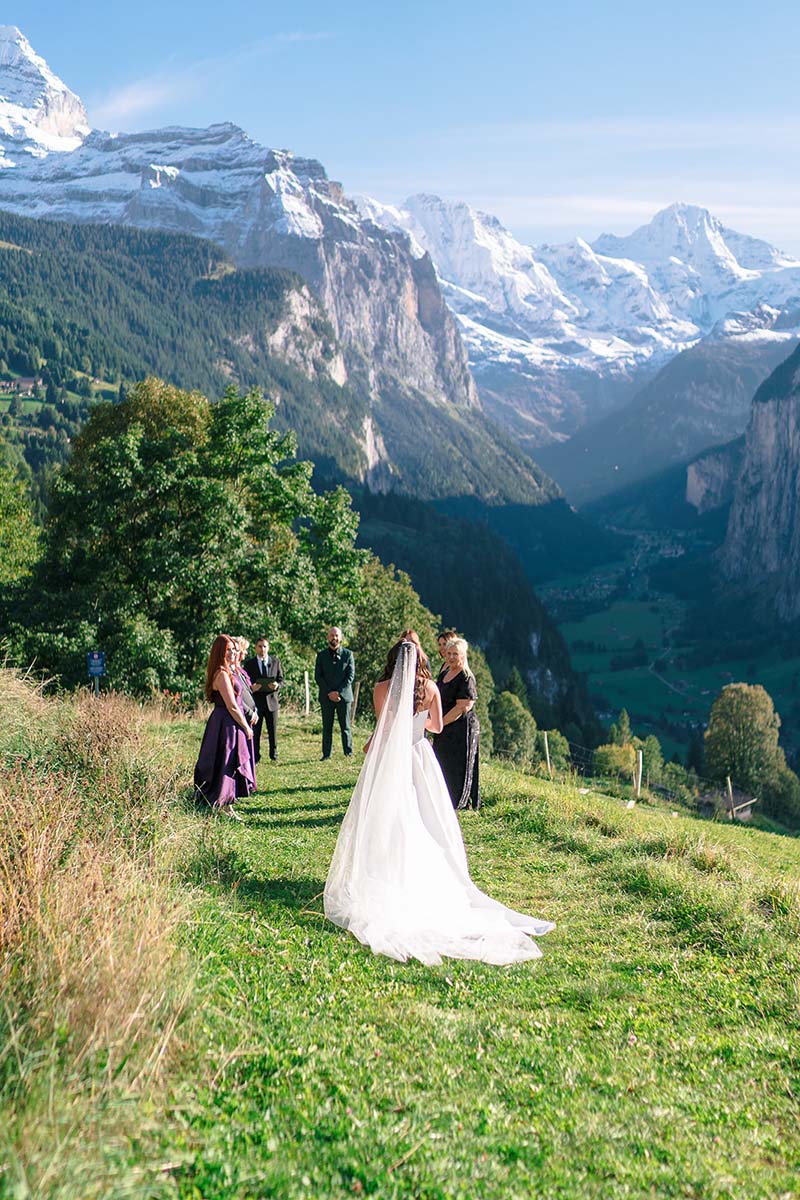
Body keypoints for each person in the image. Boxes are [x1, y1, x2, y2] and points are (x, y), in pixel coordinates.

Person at [324, 637, 553, 965]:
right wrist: (420, 723)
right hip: (419, 754)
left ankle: (381, 872)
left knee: (385, 814)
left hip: (392, 756)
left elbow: (385, 725)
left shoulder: (381, 687)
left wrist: (380, 741)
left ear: (392, 660)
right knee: (424, 817)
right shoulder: (430, 688)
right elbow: (438, 725)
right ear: (420, 660)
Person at [194, 635, 256, 819]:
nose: (232, 653)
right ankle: (217, 802)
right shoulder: (221, 674)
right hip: (224, 722)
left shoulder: (229, 671)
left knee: (229, 762)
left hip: (230, 722)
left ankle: (227, 804)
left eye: (233, 650)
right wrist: (246, 726)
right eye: (228, 650)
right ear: (220, 651)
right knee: (223, 761)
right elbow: (232, 705)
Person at [433, 636, 481, 810]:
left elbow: (463, 707)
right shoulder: (445, 673)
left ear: (463, 656)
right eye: (449, 653)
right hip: (443, 726)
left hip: (461, 727)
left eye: (456, 654)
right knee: (441, 760)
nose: (451, 657)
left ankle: (459, 802)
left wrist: (439, 723)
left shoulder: (466, 677)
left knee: (458, 764)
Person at [314, 627, 355, 760]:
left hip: (344, 696)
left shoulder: (348, 655)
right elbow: (318, 677)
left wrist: (339, 692)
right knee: (327, 727)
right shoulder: (321, 656)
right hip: (327, 697)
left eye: (336, 635)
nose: (334, 638)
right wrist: (329, 692)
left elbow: (350, 676)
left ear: (341, 638)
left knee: (346, 726)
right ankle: (326, 754)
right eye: (332, 635)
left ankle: (348, 752)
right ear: (328, 637)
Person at [244, 636, 284, 762]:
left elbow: (281, 680)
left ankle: (274, 755)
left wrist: (277, 686)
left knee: (273, 731)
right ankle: (255, 756)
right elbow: (245, 683)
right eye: (260, 646)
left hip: (272, 702)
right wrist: (252, 688)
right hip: (256, 703)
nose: (262, 649)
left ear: (268, 648)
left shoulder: (276, 662)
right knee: (256, 731)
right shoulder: (249, 664)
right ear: (255, 648)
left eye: (265, 646)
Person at [233, 638, 259, 729]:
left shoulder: (241, 671)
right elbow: (236, 696)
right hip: (240, 717)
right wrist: (249, 713)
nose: (246, 653)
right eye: (244, 650)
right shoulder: (231, 673)